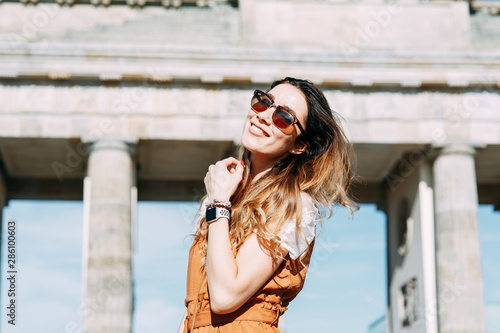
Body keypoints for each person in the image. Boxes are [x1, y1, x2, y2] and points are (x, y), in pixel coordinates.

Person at [179, 77, 357, 333]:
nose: (263, 116)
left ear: (299, 146)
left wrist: (218, 203)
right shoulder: (225, 194)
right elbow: (196, 304)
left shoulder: (295, 205)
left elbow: (225, 296)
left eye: (284, 117)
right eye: (263, 102)